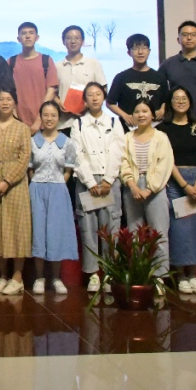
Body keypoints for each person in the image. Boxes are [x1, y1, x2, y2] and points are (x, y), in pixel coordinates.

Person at [71, 82, 124, 293]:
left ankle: (110, 273)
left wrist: (109, 179)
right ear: (85, 100)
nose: (94, 98)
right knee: (88, 229)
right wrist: (91, 182)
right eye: (90, 95)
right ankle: (93, 274)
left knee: (111, 228)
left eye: (98, 94)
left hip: (110, 181)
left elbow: (118, 150)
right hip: (87, 182)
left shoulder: (114, 121)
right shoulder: (78, 124)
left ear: (104, 97)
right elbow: (77, 153)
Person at [158, 86, 196, 294]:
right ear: (170, 103)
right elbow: (168, 159)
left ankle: (193, 275)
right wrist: (184, 185)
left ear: (189, 101)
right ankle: (180, 275)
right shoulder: (164, 128)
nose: (180, 101)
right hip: (176, 182)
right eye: (176, 98)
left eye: (184, 98)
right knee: (180, 230)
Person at [118, 99, 175, 294]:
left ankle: (159, 278)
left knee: (159, 234)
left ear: (152, 114)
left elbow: (164, 165)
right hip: (132, 188)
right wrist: (133, 186)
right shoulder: (127, 138)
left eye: (145, 111)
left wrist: (149, 189)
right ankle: (139, 275)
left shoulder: (161, 138)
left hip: (155, 190)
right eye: (137, 111)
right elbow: (123, 162)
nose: (141, 115)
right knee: (135, 235)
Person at [0, 89, 33, 295]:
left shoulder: (22, 128)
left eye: (9, 99)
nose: (4, 103)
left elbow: (24, 158)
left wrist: (6, 181)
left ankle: (17, 277)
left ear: (15, 103)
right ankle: (2, 276)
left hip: (16, 185)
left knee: (17, 229)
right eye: (1, 99)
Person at [27, 101, 79, 296]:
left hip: (58, 190)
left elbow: (69, 168)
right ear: (41, 117)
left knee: (56, 233)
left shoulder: (67, 142)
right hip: (37, 190)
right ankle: (39, 277)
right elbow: (30, 167)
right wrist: (37, 182)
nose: (49, 119)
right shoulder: (33, 141)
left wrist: (59, 182)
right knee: (38, 232)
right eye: (46, 115)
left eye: (53, 115)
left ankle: (56, 278)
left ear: (59, 118)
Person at [108, 33, 168, 128]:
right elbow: (110, 102)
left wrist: (162, 110)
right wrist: (124, 115)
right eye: (136, 48)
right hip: (129, 127)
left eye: (144, 48)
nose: (140, 52)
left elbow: (166, 99)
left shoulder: (159, 77)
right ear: (129, 52)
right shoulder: (121, 77)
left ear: (149, 51)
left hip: (155, 127)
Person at [55, 25, 107, 134]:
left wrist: (88, 105)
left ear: (82, 41)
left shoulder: (93, 64)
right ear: (63, 41)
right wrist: (58, 102)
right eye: (69, 38)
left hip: (90, 122)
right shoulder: (57, 67)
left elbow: (104, 90)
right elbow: (52, 92)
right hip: (63, 123)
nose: (73, 41)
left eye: (77, 38)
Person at [9, 22, 59, 131]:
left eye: (31, 33)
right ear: (18, 39)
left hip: (44, 123)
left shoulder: (46, 61)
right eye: (24, 33)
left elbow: (51, 91)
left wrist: (39, 120)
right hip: (18, 123)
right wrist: (14, 117)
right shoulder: (11, 62)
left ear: (37, 37)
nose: (28, 36)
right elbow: (7, 91)